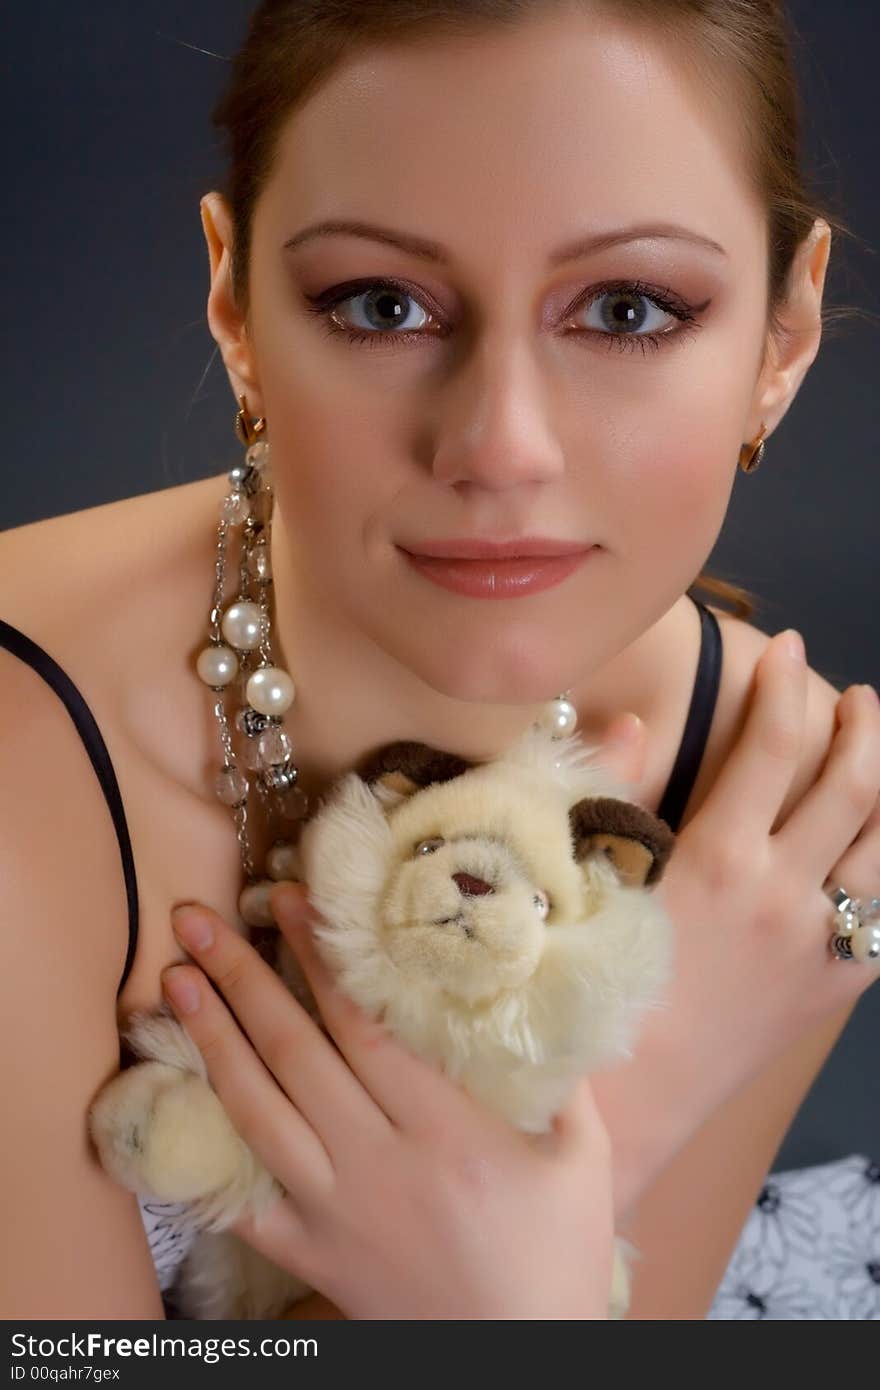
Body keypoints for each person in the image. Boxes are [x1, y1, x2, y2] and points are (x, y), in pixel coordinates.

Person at [1, 0, 878, 1320]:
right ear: (234, 302)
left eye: (629, 308)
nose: (500, 446)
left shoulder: (768, 795)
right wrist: (635, 1100)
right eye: (383, 301)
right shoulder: (26, 758)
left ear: (783, 336)